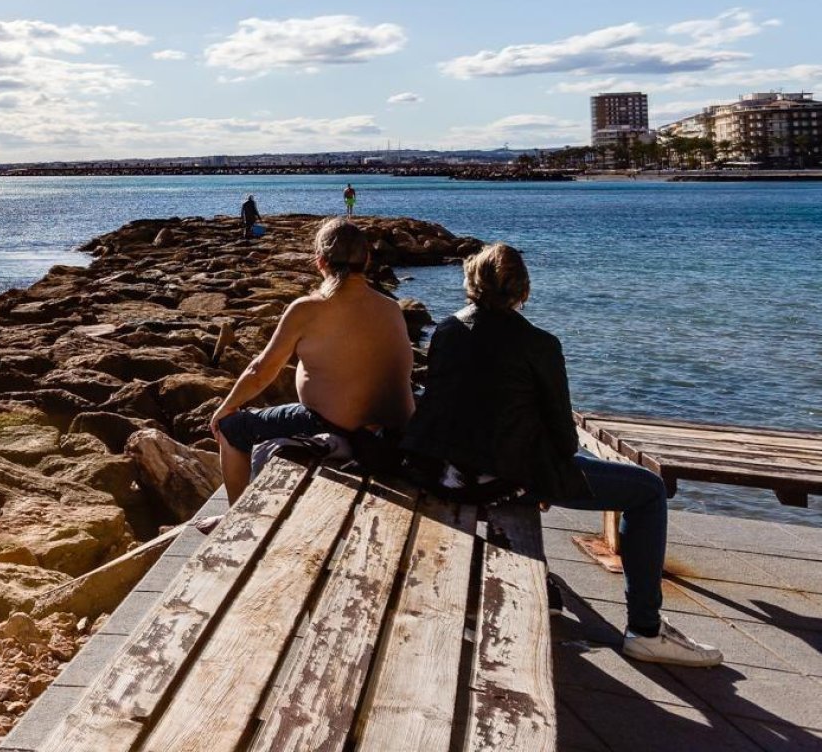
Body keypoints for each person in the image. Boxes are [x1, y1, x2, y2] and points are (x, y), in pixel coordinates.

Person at [404, 243, 723, 668]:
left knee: (586, 474)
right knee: (647, 490)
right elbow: (563, 436)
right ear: (523, 291)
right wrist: (546, 479)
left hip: (447, 471)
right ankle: (645, 629)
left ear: (471, 284)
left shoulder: (447, 331)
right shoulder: (539, 344)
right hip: (506, 475)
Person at [210, 218, 414, 502]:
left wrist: (224, 408)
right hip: (393, 432)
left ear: (320, 262)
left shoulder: (308, 308)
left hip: (337, 430)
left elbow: (261, 371)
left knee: (231, 429)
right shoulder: (391, 307)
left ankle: (235, 515)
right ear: (366, 259)